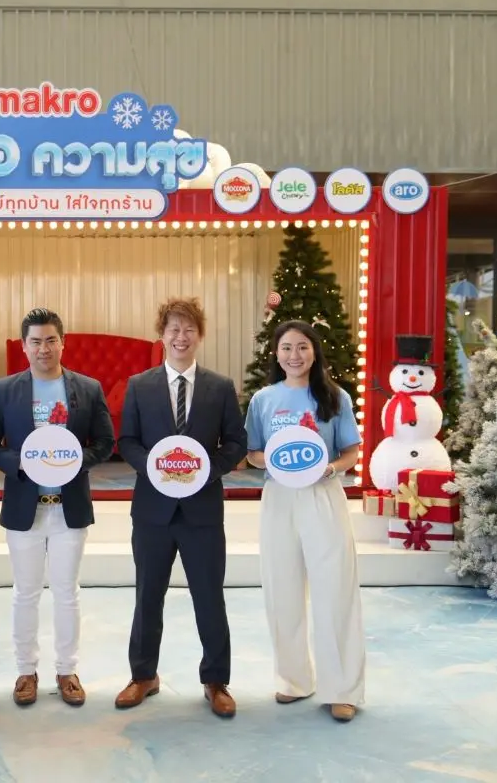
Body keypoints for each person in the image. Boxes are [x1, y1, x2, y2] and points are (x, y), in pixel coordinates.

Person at [0, 308, 115, 707]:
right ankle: (25, 671)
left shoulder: (87, 388)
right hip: (24, 507)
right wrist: (20, 462)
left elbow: (104, 443)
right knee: (25, 592)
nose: (43, 348)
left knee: (68, 592)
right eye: (35, 341)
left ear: (62, 342)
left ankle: (67, 670)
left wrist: (73, 461)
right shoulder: (4, 391)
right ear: (24, 346)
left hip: (68, 507)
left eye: (50, 340)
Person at [115, 297, 247, 718]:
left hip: (203, 513)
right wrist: (154, 469)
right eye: (173, 329)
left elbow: (236, 444)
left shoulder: (220, 387)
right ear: (162, 335)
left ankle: (215, 680)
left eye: (188, 329)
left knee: (209, 597)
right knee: (146, 596)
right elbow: (128, 442)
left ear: (199, 335)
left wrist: (205, 471)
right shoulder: (139, 385)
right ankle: (142, 675)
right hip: (152, 513)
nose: (180, 336)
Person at [244, 320, 365, 723]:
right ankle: (294, 680)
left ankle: (342, 688)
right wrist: (274, 461)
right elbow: (252, 454)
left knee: (335, 590)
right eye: (286, 348)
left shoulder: (335, 397)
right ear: (276, 354)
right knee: (282, 589)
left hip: (322, 496)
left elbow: (351, 451)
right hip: (279, 497)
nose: (294, 355)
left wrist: (329, 469)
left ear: (315, 352)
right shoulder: (263, 399)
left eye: (302, 347)